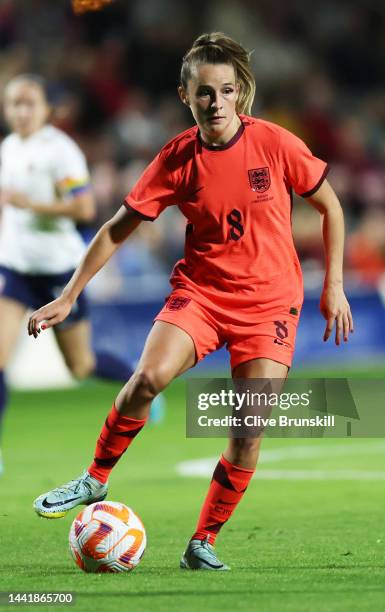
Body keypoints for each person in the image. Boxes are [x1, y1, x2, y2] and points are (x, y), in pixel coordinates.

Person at [30, 33, 353, 571]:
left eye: (227, 90)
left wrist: (334, 284)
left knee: (248, 432)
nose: (217, 102)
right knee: (146, 379)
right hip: (201, 294)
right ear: (186, 96)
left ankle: (202, 542)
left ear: (239, 92)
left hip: (270, 304)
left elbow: (331, 207)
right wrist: (69, 295)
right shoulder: (178, 157)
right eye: (205, 92)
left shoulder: (274, 143)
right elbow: (116, 228)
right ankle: (94, 479)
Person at [0, 74, 163, 474]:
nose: (21, 111)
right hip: (15, 267)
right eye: (14, 104)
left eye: (29, 103)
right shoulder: (7, 148)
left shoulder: (61, 151)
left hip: (58, 269)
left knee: (81, 366)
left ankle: (137, 382)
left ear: (45, 109)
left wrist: (34, 204)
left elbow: (85, 208)